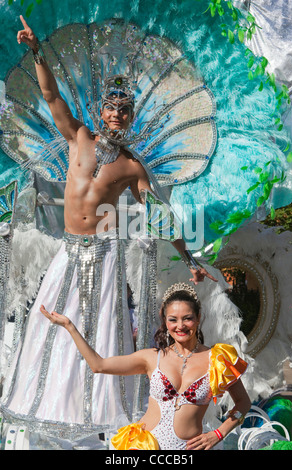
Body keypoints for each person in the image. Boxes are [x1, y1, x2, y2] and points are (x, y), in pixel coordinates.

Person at [0, 16, 216, 440]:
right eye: (111, 108)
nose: (116, 115)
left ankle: (97, 415)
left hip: (103, 254)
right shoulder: (79, 137)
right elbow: (49, 93)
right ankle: (47, 406)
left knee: (101, 330)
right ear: (100, 111)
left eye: (124, 111)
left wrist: (189, 255)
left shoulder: (133, 165)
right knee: (51, 324)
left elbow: (157, 213)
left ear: (131, 118)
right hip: (69, 249)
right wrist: (37, 52)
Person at [40, 282, 251, 450]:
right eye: (173, 319)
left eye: (187, 318)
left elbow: (243, 403)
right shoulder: (151, 358)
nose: (180, 326)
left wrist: (218, 434)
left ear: (198, 319)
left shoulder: (218, 359)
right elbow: (99, 365)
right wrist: (69, 327)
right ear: (165, 322)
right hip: (144, 446)